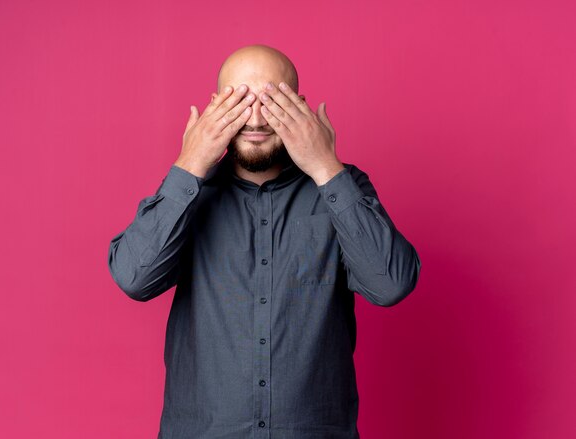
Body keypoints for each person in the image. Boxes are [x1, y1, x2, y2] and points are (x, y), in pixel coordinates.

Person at [107, 43, 421, 439]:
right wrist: (188, 165)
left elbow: (390, 284)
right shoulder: (188, 193)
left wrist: (326, 166)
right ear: (215, 107)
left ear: (300, 107)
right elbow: (134, 278)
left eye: (271, 100)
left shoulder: (343, 188)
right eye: (239, 101)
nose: (255, 119)